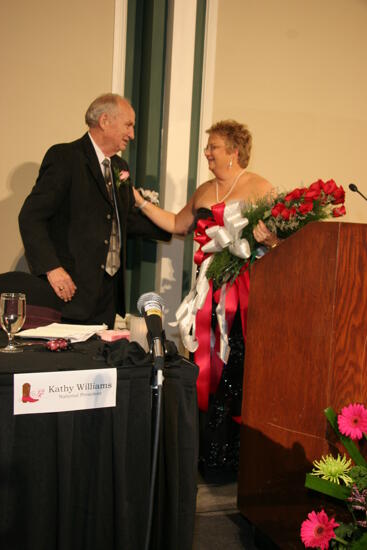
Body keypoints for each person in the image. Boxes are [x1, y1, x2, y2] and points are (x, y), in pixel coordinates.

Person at [133, 119, 279, 480]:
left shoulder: (260, 187)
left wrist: (270, 238)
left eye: (213, 146)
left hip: (243, 295)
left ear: (233, 150)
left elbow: (279, 239)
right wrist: (139, 204)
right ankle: (206, 455)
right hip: (208, 291)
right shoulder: (204, 189)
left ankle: (232, 458)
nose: (207, 153)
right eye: (208, 147)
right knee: (204, 362)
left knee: (235, 367)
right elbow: (177, 224)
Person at [18, 93, 171, 328]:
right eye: (128, 125)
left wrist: (178, 225)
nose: (132, 134)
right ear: (105, 121)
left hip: (106, 298)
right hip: (69, 293)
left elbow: (124, 221)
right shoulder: (65, 157)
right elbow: (31, 217)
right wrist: (53, 269)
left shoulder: (120, 167)